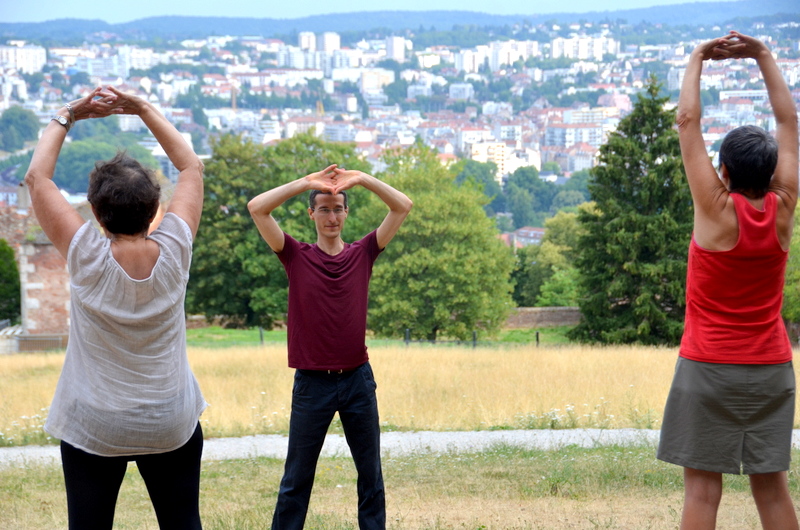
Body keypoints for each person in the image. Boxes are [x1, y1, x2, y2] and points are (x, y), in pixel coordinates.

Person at [25, 86, 208, 529]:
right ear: (154, 212)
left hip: (96, 421)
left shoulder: (85, 253)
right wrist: (143, 107)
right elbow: (191, 167)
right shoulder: (176, 246)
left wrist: (71, 113)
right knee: (183, 522)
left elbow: (37, 179)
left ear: (94, 212)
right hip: (169, 419)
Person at [657, 32, 799, 530]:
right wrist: (762, 54)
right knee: (772, 489)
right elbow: (787, 121)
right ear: (773, 169)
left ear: (723, 170)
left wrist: (696, 56)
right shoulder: (782, 210)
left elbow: (687, 121)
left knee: (701, 491)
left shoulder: (715, 212)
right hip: (771, 368)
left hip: (708, 364)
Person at [248, 165, 412, 529]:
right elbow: (257, 208)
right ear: (312, 214)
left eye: (338, 208)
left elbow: (402, 206)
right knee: (296, 480)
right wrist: (306, 182)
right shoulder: (294, 254)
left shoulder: (364, 252)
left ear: (347, 213)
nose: (332, 216)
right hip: (312, 384)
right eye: (324, 208)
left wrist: (363, 179)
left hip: (357, 382)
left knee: (371, 477)